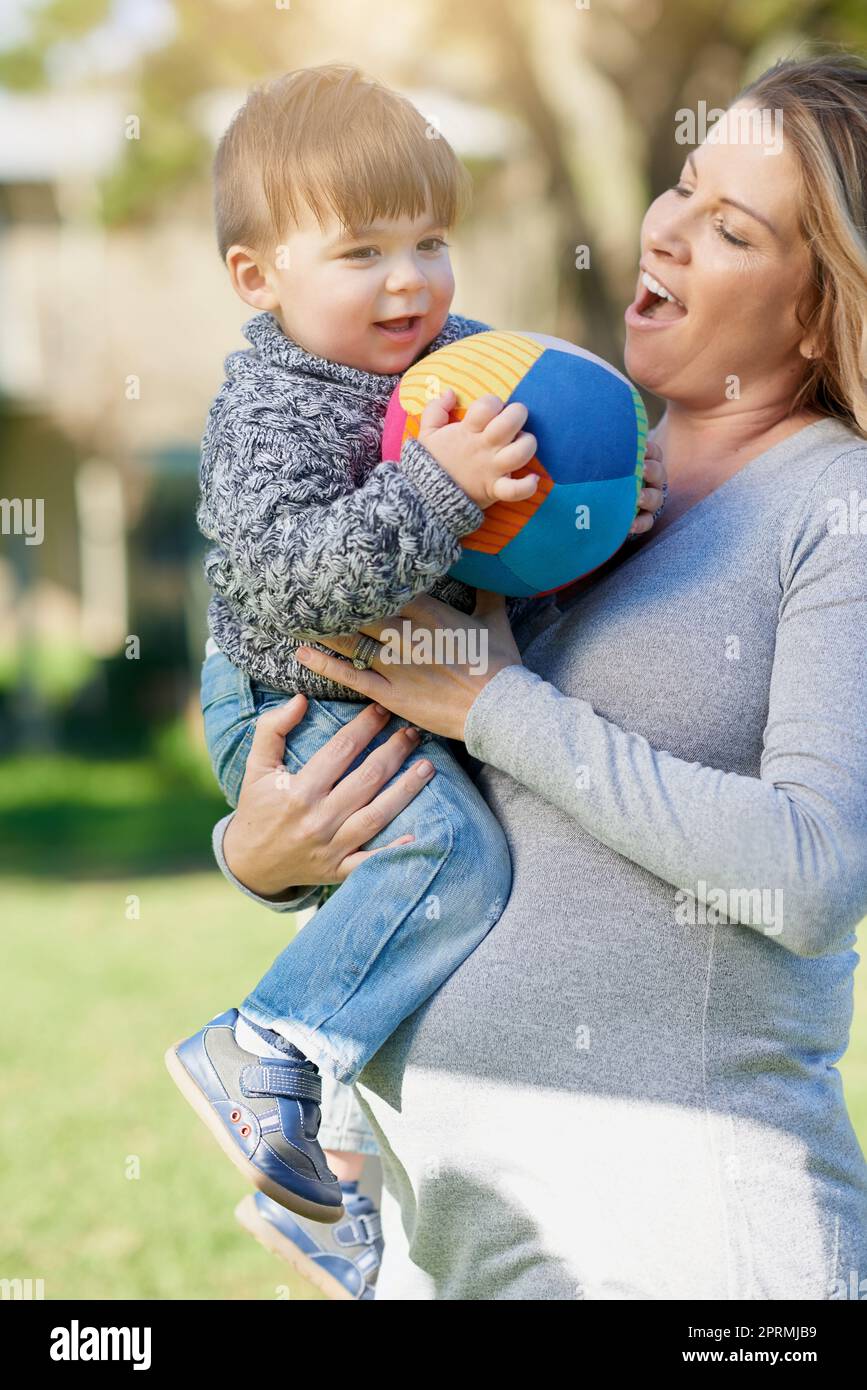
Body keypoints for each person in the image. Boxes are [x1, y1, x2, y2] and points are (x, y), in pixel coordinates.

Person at [210, 55, 867, 1299]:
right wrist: (262, 855)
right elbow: (435, 791)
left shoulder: (835, 506)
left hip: (688, 1235)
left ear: (821, 306)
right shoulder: (552, 446)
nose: (666, 228)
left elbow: (815, 874)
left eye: (730, 228)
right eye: (683, 187)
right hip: (446, 1238)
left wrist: (494, 704)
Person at [164, 63, 665, 1297]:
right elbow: (294, 581)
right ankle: (265, 1042)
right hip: (298, 692)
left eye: (432, 240)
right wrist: (439, 485)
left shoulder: (463, 362)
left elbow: (499, 563)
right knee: (453, 859)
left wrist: (595, 519)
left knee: (449, 872)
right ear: (257, 277)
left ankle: (330, 1179)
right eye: (361, 252)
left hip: (395, 676)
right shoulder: (272, 407)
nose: (409, 279)